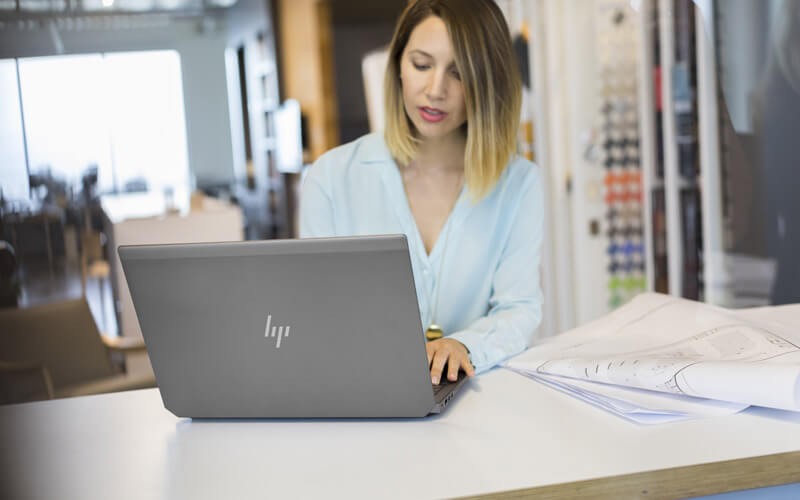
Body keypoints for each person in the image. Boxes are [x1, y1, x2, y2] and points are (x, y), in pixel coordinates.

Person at [299, 0, 544, 385]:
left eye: (459, 73)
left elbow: (519, 309)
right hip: (363, 395)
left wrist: (464, 345)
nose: (435, 90)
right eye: (422, 64)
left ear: (488, 81)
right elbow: (315, 311)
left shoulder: (519, 184)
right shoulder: (330, 178)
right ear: (398, 65)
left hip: (477, 403)